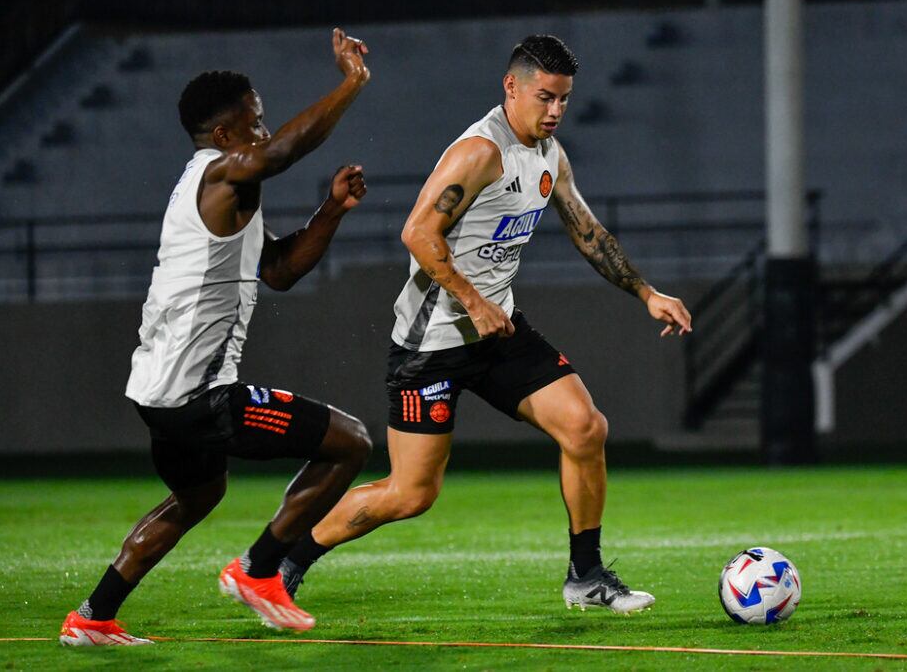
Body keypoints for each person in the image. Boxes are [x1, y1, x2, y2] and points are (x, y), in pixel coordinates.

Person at [280, 35, 692, 615]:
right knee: (411, 494)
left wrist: (645, 292)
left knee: (584, 428)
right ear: (512, 87)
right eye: (545, 97)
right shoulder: (479, 152)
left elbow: (586, 230)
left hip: (497, 332)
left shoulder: (550, 153)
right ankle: (283, 562)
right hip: (434, 341)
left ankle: (587, 576)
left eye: (564, 100)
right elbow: (417, 233)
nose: (554, 111)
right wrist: (473, 301)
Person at [60, 28, 374, 645]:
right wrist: (351, 82)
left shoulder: (222, 191)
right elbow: (279, 153)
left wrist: (330, 211)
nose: (264, 131)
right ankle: (259, 571)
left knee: (197, 495)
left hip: (156, 394)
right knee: (351, 443)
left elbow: (279, 271)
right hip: (198, 396)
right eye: (255, 123)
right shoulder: (221, 174)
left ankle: (93, 616)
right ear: (226, 136)